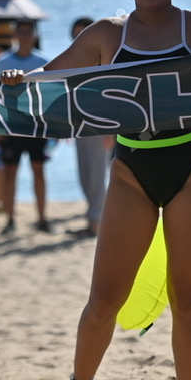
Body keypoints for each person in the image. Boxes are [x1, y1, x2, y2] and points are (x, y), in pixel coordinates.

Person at [0, 0, 191, 380]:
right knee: (104, 298)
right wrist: (16, 82)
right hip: (132, 170)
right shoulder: (107, 35)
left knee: (188, 299)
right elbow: (49, 78)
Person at [0, 20, 51, 234]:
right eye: (22, 32)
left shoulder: (44, 61)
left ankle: (42, 218)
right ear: (15, 36)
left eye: (29, 32)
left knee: (38, 170)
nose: (25, 36)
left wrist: (55, 127)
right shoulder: (2, 61)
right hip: (11, 125)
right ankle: (10, 219)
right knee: (10, 172)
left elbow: (50, 96)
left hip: (37, 125)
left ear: (34, 35)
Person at [70, 17, 110, 237]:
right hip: (79, 126)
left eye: (84, 33)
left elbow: (113, 97)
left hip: (100, 127)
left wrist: (111, 131)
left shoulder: (103, 60)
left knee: (96, 174)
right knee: (85, 174)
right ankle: (93, 219)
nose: (80, 38)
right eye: (76, 34)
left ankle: (97, 223)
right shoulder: (74, 62)